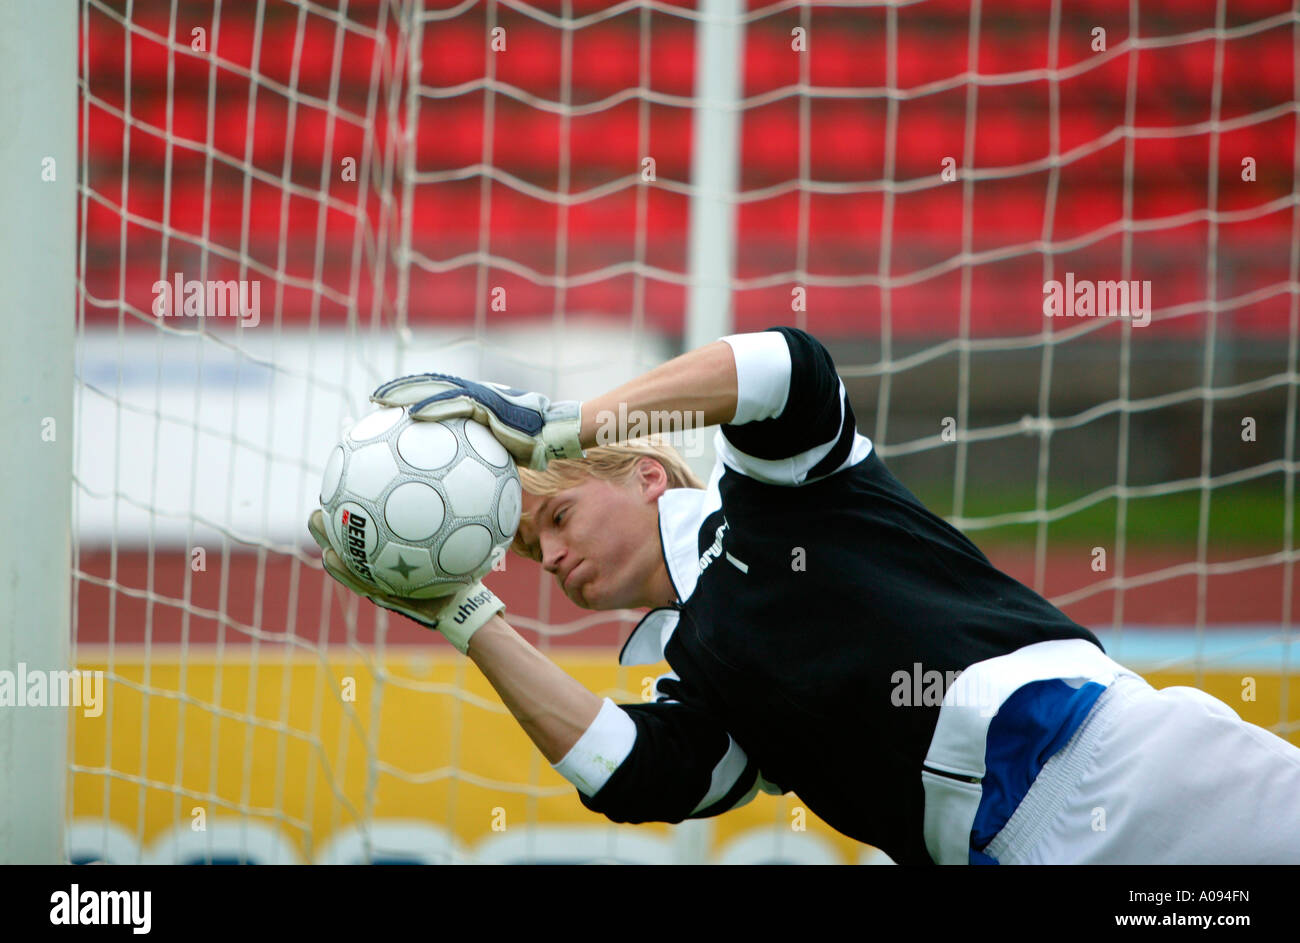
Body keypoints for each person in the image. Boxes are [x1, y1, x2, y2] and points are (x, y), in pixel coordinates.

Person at [308, 326, 1300, 864]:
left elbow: (787, 369)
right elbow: (634, 776)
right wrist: (464, 617)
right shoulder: (700, 678)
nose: (548, 555)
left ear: (646, 474)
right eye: (528, 551)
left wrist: (558, 426)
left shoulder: (781, 501)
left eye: (556, 518)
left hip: (1123, 768)